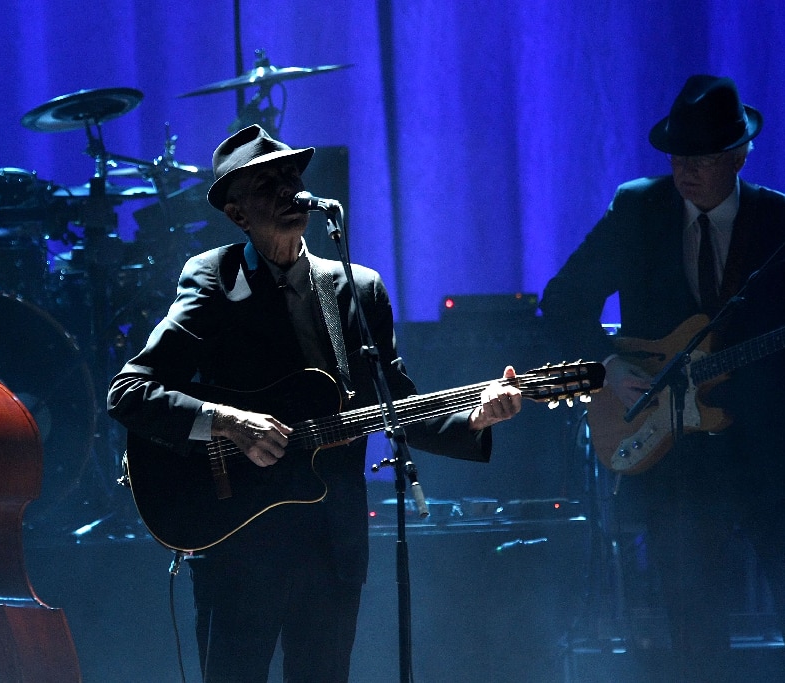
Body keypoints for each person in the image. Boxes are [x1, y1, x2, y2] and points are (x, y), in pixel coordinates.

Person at [107, 124, 523, 682]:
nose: (287, 190)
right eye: (265, 184)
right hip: (239, 539)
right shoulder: (214, 279)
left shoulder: (359, 288)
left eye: (291, 175)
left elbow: (393, 402)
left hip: (332, 542)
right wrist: (227, 422)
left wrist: (473, 416)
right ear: (237, 214)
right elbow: (131, 392)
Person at [540, 75, 785, 682]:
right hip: (672, 458)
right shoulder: (637, 207)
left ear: (738, 155)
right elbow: (562, 301)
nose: (685, 171)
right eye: (677, 157)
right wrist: (606, 368)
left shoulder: (777, 221)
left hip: (764, 454)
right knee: (693, 633)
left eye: (701, 158)